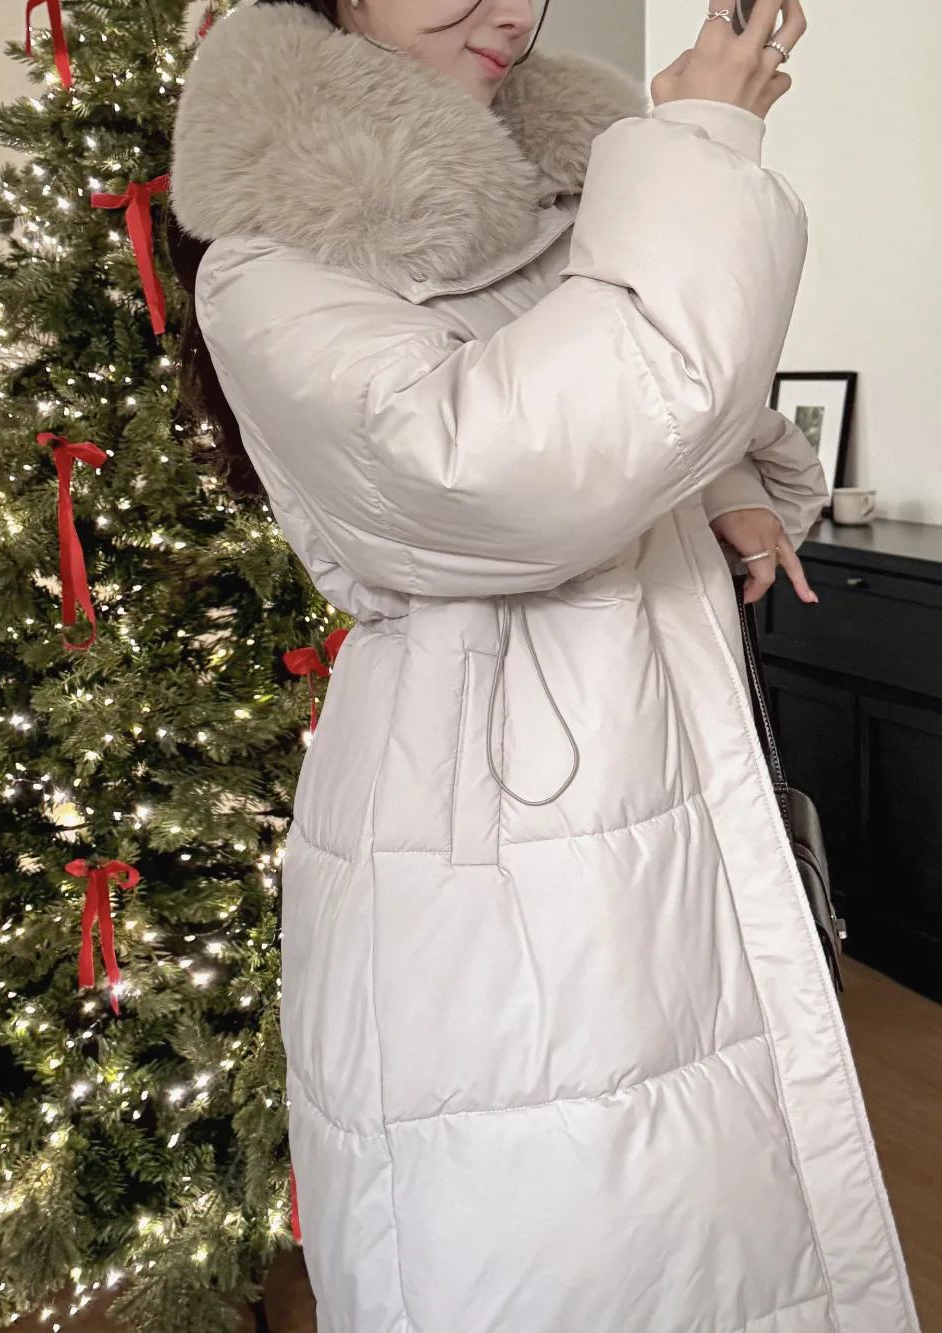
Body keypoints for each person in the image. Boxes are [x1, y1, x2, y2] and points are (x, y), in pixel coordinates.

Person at [169, 3, 920, 1329]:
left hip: (657, 773)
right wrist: (698, 139)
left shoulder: (559, 192)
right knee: (548, 1227)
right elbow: (502, 473)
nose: (511, 10)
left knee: (712, 1200)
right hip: (495, 820)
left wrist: (726, 479)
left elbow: (632, 398)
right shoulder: (271, 260)